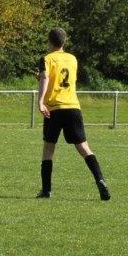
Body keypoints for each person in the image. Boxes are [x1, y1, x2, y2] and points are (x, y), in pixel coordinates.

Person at [36, 28, 110, 201]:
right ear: (65, 41)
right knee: (84, 147)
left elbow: (46, 78)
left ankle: (46, 190)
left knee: (48, 148)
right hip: (73, 107)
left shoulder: (46, 59)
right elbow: (62, 80)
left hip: (54, 108)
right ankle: (100, 180)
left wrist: (40, 101)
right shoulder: (72, 59)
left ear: (49, 41)